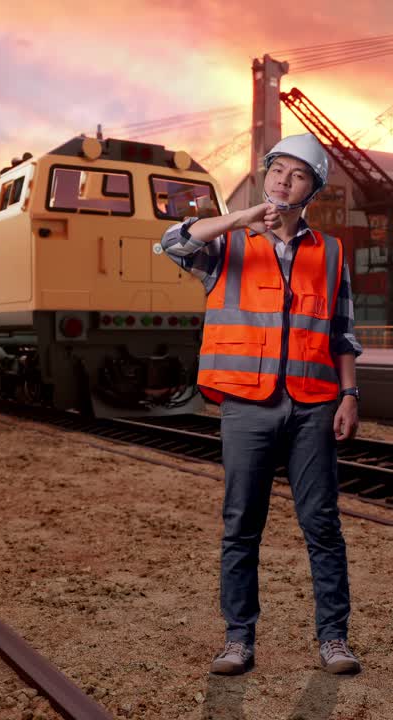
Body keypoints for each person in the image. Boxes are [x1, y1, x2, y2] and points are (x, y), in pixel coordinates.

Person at [157, 133, 363, 676]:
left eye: (297, 174)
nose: (283, 181)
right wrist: (240, 219)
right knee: (241, 524)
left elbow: (342, 333)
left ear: (311, 188)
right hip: (247, 403)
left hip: (314, 403)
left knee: (322, 524)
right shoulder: (226, 245)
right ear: (265, 174)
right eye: (277, 170)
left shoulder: (332, 252)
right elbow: (172, 241)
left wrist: (350, 394)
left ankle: (334, 640)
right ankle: (238, 639)